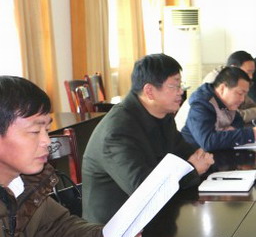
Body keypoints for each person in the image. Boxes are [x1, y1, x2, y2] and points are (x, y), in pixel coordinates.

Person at [0, 76, 139, 237]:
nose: (47, 140)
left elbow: (57, 227)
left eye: (46, 128)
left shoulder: (25, 184)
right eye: (34, 131)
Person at [82, 54, 214, 224]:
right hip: (116, 229)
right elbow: (143, 191)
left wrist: (199, 156)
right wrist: (192, 170)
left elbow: (182, 150)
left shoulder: (162, 114)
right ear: (149, 91)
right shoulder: (117, 132)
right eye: (174, 86)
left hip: (154, 216)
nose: (181, 91)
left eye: (180, 85)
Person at [175, 50, 256, 129]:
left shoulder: (237, 80)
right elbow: (231, 116)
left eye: (253, 73)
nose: (251, 77)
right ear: (234, 68)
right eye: (248, 72)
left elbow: (245, 104)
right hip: (189, 136)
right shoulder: (217, 81)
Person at [181, 66, 256, 151]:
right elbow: (208, 142)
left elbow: (238, 121)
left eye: (245, 95)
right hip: (193, 156)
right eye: (240, 93)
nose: (242, 99)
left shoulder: (226, 103)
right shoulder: (201, 105)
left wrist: (230, 131)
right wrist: (250, 135)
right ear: (222, 88)